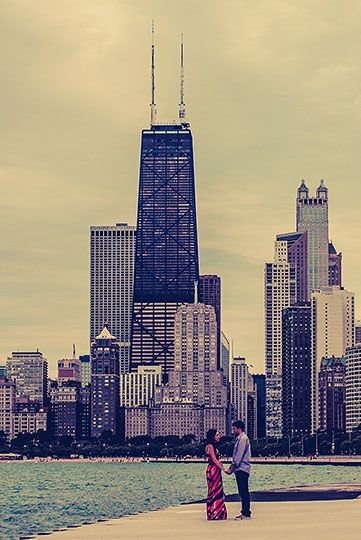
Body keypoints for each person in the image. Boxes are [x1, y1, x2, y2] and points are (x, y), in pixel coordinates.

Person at [225, 420, 251, 520]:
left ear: (239, 428)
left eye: (234, 428)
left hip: (242, 468)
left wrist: (231, 468)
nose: (233, 430)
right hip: (241, 468)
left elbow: (238, 456)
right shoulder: (240, 439)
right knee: (243, 491)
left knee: (243, 491)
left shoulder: (243, 439)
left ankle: (245, 513)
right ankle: (245, 512)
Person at [205, 429, 227, 520]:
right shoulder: (210, 446)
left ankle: (218, 512)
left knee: (217, 490)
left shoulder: (213, 446)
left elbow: (216, 460)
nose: (219, 436)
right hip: (213, 470)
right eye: (217, 435)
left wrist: (220, 465)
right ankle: (214, 513)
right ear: (213, 436)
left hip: (216, 470)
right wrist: (224, 469)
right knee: (214, 491)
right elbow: (214, 460)